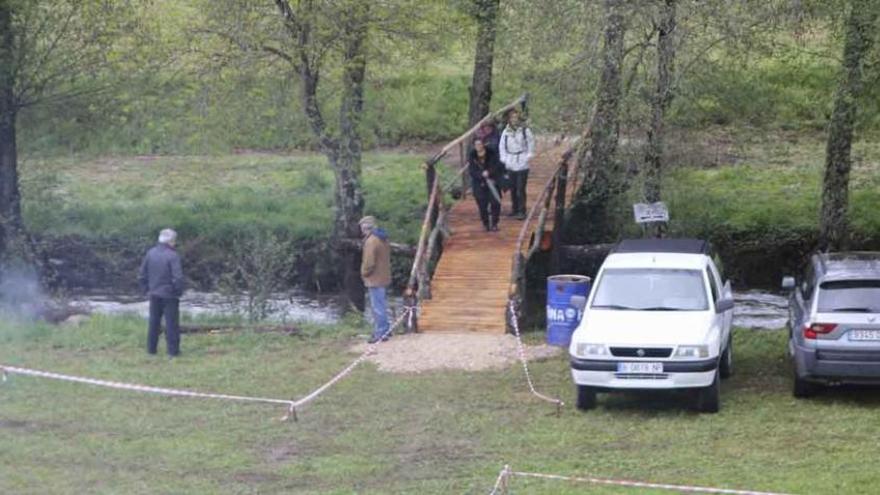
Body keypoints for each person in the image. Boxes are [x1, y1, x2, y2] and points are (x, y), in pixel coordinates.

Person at [138, 228, 184, 357]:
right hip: (169, 294)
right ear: (171, 241)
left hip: (154, 293)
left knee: (153, 322)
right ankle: (173, 352)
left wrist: (145, 289)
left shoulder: (150, 253)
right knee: (171, 324)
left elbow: (142, 274)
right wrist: (178, 291)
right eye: (174, 241)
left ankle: (151, 350)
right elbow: (178, 277)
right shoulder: (173, 255)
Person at [359, 216, 392, 344]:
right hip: (384, 275)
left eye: (362, 227)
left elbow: (369, 262)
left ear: (365, 228)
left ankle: (381, 332)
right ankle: (385, 329)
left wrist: (363, 273)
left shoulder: (371, 241)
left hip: (375, 278)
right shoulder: (383, 238)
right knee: (381, 305)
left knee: (377, 306)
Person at [499, 108, 535, 220]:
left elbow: (531, 143)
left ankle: (522, 210)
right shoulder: (505, 132)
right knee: (513, 188)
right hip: (510, 161)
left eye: (516, 117)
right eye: (512, 117)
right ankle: (514, 209)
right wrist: (504, 159)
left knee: (520, 188)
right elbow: (502, 147)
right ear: (509, 119)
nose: (514, 119)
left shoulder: (525, 131)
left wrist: (528, 156)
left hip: (522, 161)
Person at [468, 138, 503, 231]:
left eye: (480, 144)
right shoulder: (472, 156)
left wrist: (489, 172)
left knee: (495, 202)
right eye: (476, 145)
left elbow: (497, 166)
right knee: (482, 204)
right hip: (479, 183)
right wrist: (481, 175)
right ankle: (486, 223)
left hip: (493, 181)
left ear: (483, 144)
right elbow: (472, 171)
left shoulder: (492, 153)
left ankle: (495, 223)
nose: (478, 146)